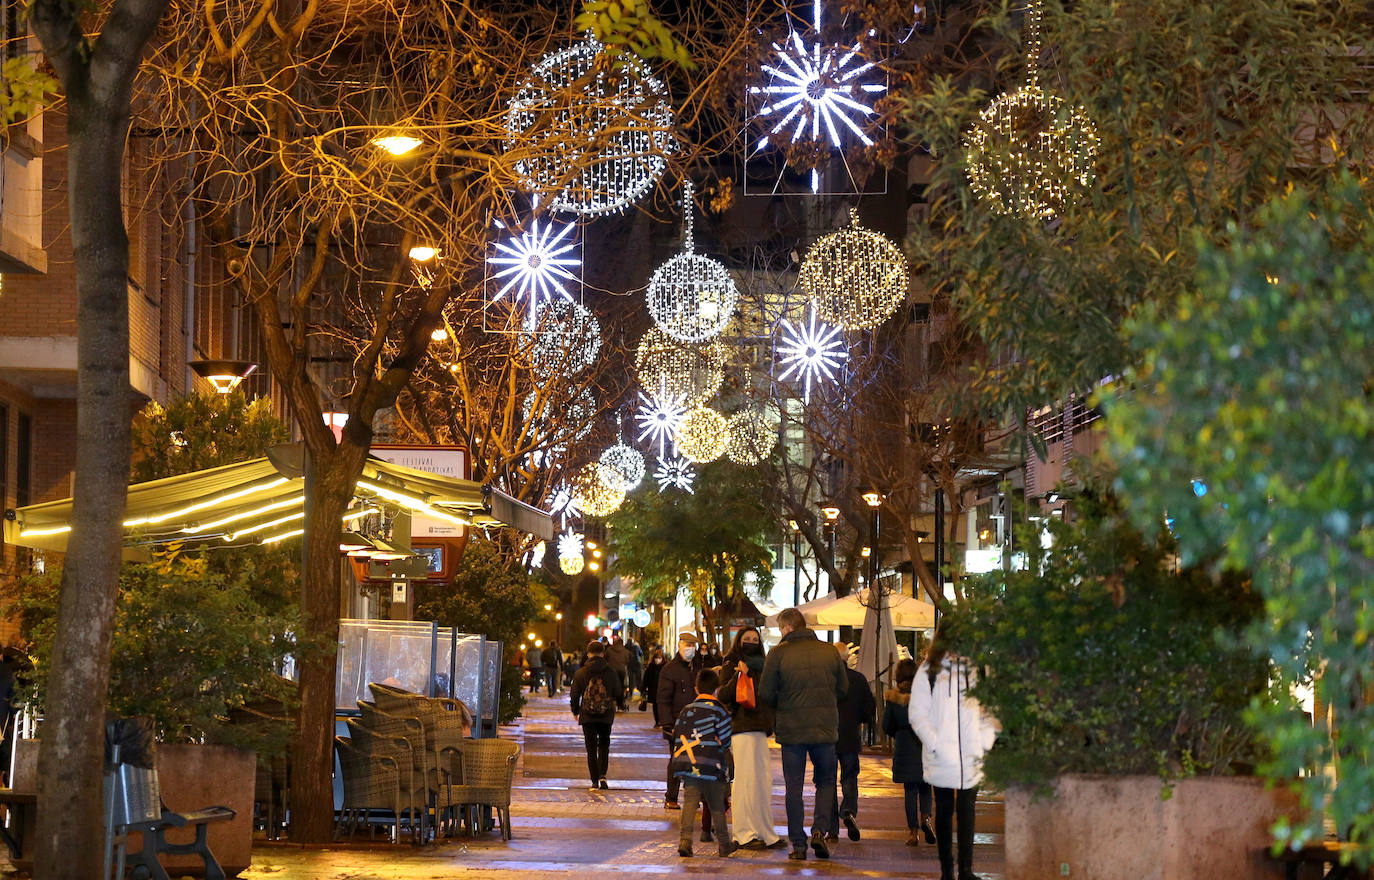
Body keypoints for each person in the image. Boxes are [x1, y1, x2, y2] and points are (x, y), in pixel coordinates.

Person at [910, 623, 1000, 880]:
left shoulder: (979, 670)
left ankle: (966, 869)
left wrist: (985, 742)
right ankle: (947, 870)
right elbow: (918, 714)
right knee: (944, 810)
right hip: (942, 756)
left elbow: (990, 711)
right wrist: (935, 743)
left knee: (967, 810)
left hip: (972, 754)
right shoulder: (929, 670)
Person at [758, 607, 847, 861]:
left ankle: (798, 844)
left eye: (780, 628)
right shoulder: (830, 652)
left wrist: (784, 703)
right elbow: (843, 689)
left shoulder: (778, 654)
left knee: (794, 787)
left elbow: (765, 692)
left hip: (792, 730)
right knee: (826, 781)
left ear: (787, 627)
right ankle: (819, 830)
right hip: (824, 729)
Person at [719, 626, 784, 850]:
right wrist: (740, 675)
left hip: (761, 728)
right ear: (738, 641)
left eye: (755, 639)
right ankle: (743, 834)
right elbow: (724, 695)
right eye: (746, 638)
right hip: (742, 727)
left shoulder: (764, 666)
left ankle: (765, 832)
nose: (751, 642)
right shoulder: (731, 663)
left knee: (762, 782)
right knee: (745, 781)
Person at [669, 668, 738, 858]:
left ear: (696, 689)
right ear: (716, 689)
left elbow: (677, 733)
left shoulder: (686, 710)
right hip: (711, 764)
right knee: (716, 805)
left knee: (690, 803)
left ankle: (685, 842)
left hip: (689, 764)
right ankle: (724, 845)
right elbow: (726, 740)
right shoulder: (719, 711)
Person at [883, 657, 935, 847]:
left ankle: (913, 832)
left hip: (904, 748)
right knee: (926, 787)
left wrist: (899, 733)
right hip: (924, 746)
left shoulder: (893, 699)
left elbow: (886, 725)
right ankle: (926, 818)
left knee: (910, 791)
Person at [828, 641, 876, 842]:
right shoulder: (859, 679)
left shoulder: (826, 679)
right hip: (850, 736)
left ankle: (831, 829)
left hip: (828, 737)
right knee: (849, 778)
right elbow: (869, 709)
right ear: (848, 658)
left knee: (827, 781)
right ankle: (848, 811)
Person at [656, 632, 705, 811]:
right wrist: (666, 724)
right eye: (687, 645)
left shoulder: (698, 668)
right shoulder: (670, 669)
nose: (690, 649)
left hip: (697, 721)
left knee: (697, 760)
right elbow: (663, 698)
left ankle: (694, 795)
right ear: (679, 645)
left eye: (692, 645)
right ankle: (671, 797)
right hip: (677, 722)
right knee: (677, 760)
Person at [569, 640, 625, 790]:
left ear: (588, 654)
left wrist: (575, 711)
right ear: (603, 653)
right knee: (604, 745)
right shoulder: (611, 672)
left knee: (591, 748)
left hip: (587, 714)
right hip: (606, 714)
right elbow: (618, 691)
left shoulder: (581, 673)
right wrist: (620, 704)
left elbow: (574, 694)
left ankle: (594, 779)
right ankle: (602, 776)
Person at [606, 635, 631, 710]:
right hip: (621, 671)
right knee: (621, 687)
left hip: (611, 671)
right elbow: (627, 661)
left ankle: (611, 703)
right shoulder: (625, 651)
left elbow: (606, 659)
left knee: (611, 687)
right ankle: (620, 703)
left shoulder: (609, 650)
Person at [640, 646, 665, 712]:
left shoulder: (665, 667)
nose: (657, 660)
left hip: (662, 690)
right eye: (656, 658)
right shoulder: (651, 667)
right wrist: (643, 689)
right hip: (653, 690)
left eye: (659, 658)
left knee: (661, 706)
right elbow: (646, 679)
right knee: (655, 706)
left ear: (662, 658)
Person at [626, 639, 643, 703]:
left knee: (631, 679)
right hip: (637, 664)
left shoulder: (626, 647)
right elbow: (641, 653)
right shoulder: (636, 646)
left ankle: (631, 692)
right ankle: (640, 692)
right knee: (638, 678)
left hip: (629, 664)